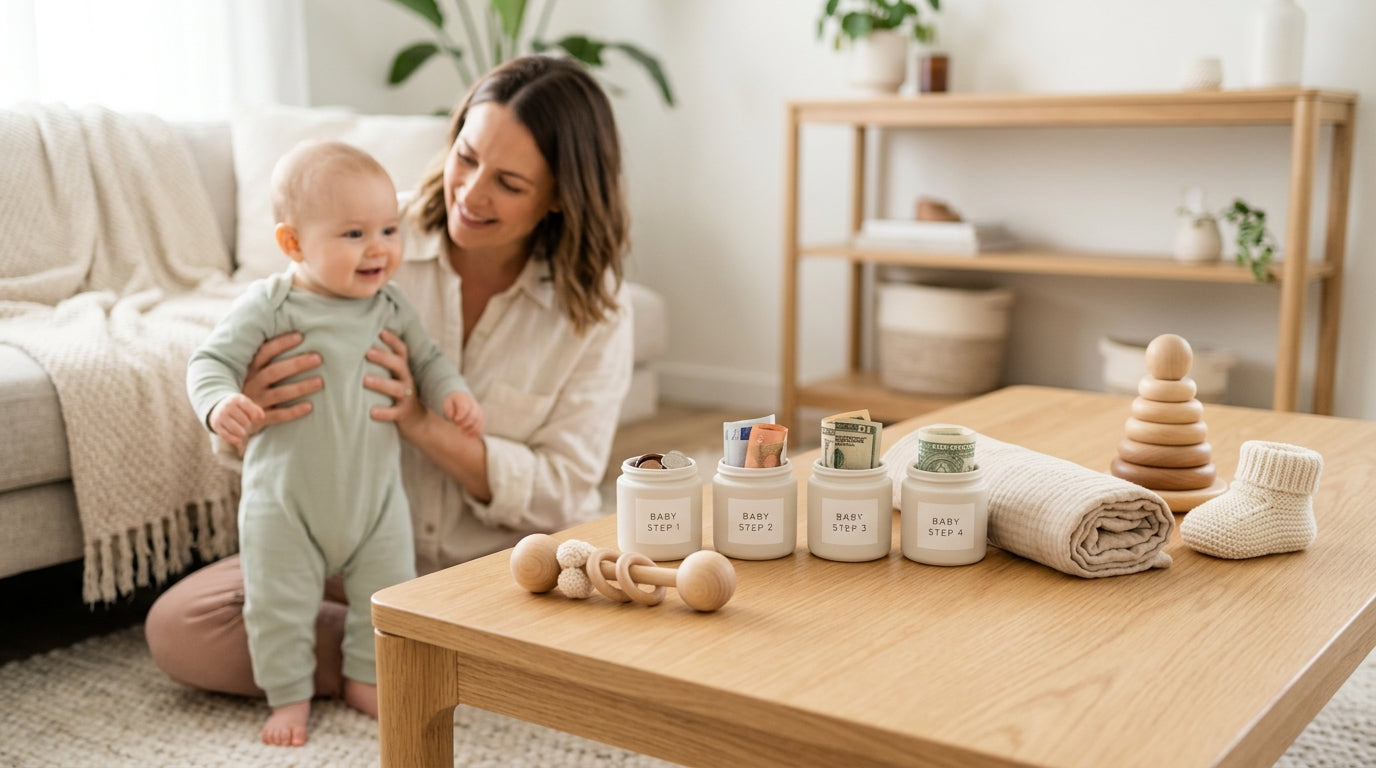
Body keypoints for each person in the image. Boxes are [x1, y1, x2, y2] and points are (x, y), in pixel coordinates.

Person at [146, 54, 634, 740]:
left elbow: (563, 490)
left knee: (593, 640)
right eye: (466, 156)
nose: (469, 192)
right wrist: (245, 413)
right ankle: (412, 651)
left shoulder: (595, 312)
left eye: (509, 182)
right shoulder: (364, 234)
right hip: (341, 558)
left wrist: (423, 423)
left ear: (559, 196)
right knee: (181, 629)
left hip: (490, 572)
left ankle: (419, 645)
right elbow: (249, 425)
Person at [186, 139, 484, 746]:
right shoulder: (271, 306)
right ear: (293, 245)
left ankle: (366, 680)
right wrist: (220, 403)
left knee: (389, 593)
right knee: (277, 603)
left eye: (388, 229)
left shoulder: (389, 305)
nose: (378, 248)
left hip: (375, 500)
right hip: (285, 502)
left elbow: (427, 360)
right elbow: (209, 361)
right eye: (353, 234)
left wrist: (451, 393)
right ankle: (289, 696)